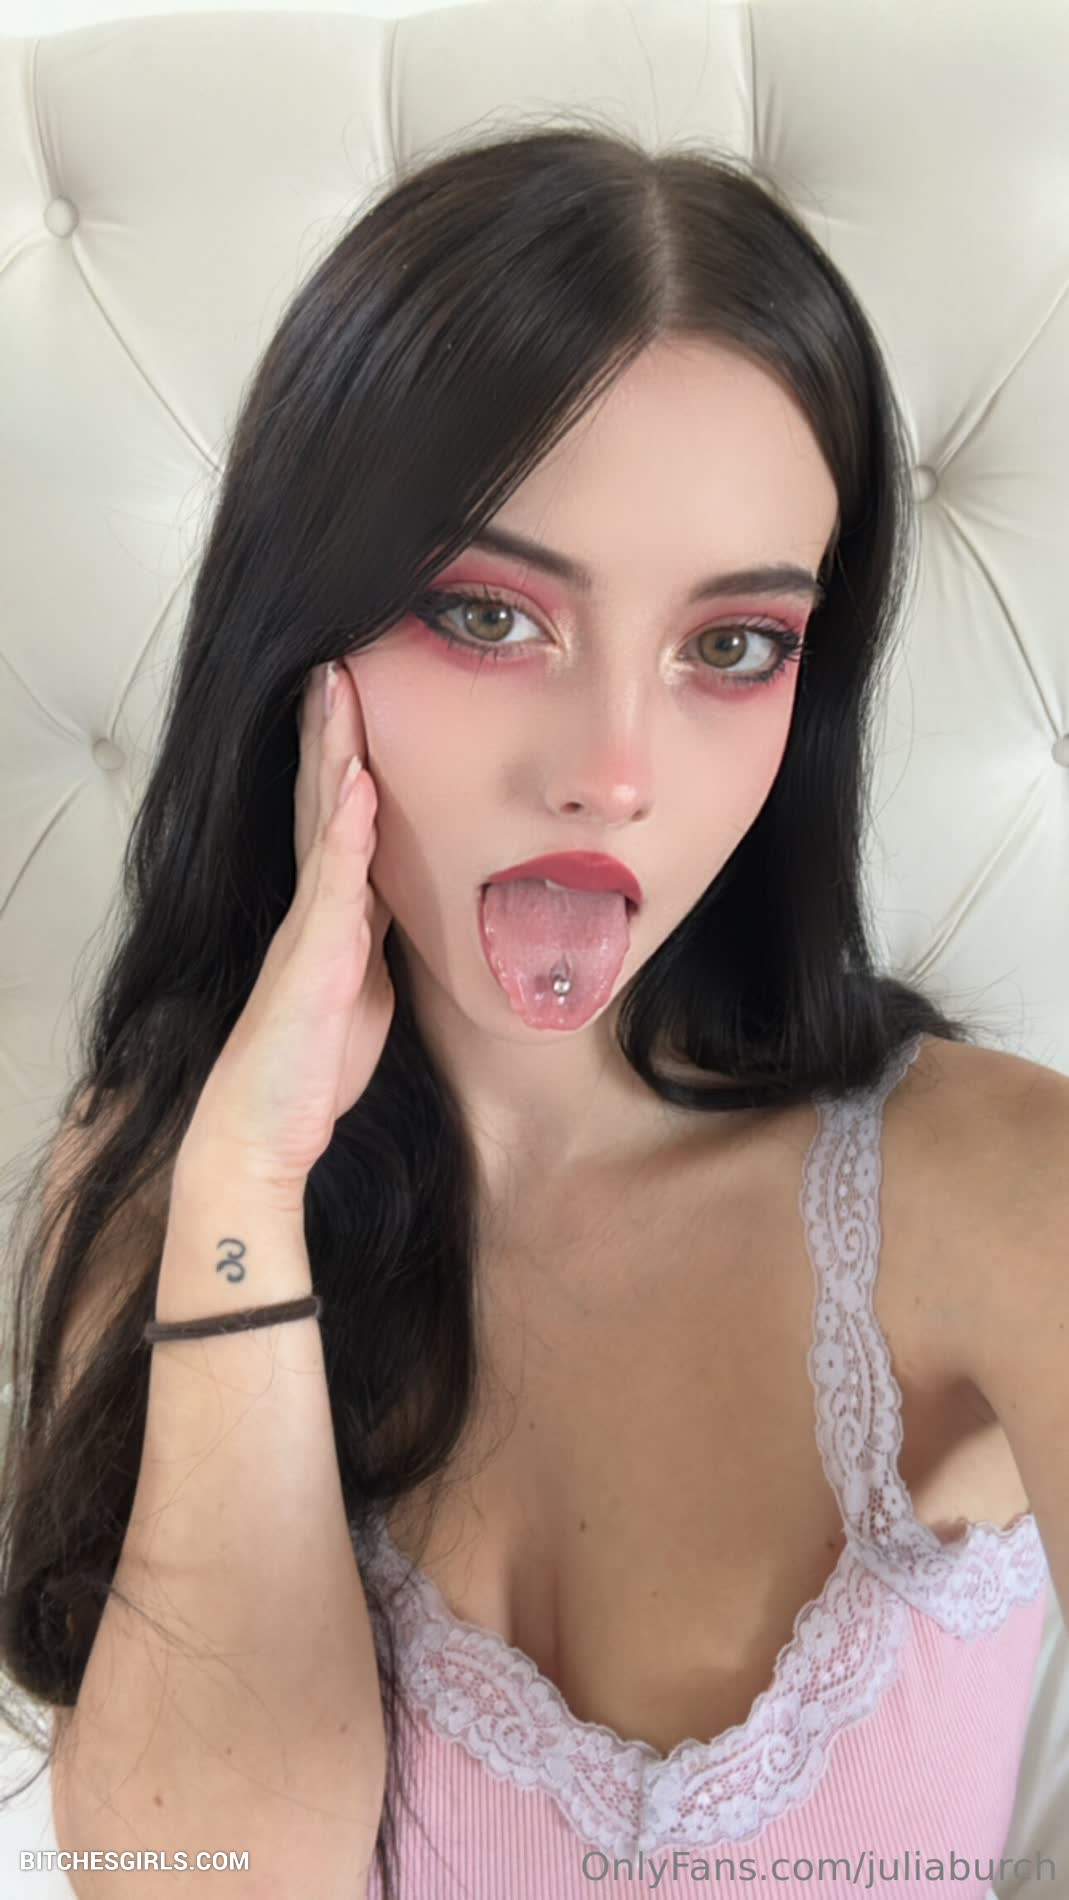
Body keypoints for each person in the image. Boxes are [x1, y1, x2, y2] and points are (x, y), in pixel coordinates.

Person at [0, 120, 1056, 1900]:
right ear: (302, 637)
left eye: (731, 645)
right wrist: (248, 1184)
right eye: (489, 616)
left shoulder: (1002, 1187)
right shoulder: (159, 1190)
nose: (612, 772)